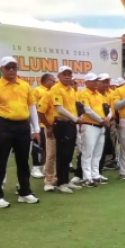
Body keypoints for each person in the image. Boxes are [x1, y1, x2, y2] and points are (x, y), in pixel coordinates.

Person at [0, 56, 41, 208]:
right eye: (8, 67)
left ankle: (25, 192)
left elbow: (32, 107)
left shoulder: (25, 85)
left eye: (14, 67)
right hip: (4, 125)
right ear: (1, 69)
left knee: (23, 161)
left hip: (23, 126)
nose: (11, 70)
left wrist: (36, 129)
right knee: (0, 161)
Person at [49, 65, 83, 193]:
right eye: (65, 74)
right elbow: (59, 108)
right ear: (59, 76)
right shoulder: (56, 89)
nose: (67, 76)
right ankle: (60, 183)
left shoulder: (71, 90)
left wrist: (76, 119)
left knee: (68, 154)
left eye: (69, 74)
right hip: (61, 123)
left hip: (70, 124)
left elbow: (75, 107)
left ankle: (66, 180)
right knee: (62, 154)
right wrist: (75, 119)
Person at [78, 72, 109, 186]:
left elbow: (107, 109)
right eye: (93, 81)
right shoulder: (83, 94)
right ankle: (87, 177)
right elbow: (87, 110)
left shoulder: (99, 95)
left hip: (100, 126)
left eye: (97, 80)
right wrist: (102, 119)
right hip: (90, 125)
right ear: (86, 82)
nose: (96, 83)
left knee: (97, 153)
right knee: (88, 153)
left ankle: (95, 174)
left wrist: (107, 118)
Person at [30, 74, 54, 179]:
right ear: (47, 80)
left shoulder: (53, 91)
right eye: (53, 80)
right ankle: (35, 168)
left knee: (47, 148)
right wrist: (36, 120)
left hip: (49, 124)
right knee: (38, 146)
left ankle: (46, 167)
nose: (54, 82)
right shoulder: (37, 90)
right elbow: (33, 105)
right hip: (40, 124)